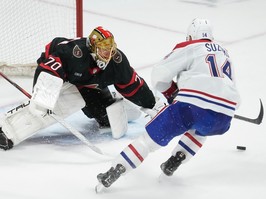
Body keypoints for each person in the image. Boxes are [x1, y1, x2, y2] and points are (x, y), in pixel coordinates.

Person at [95, 18, 241, 191]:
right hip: (224, 118)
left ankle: (116, 170)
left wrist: (172, 93)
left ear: (191, 36)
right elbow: (231, 93)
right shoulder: (225, 53)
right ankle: (177, 159)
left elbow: (159, 75)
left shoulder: (190, 46)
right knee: (202, 128)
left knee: (148, 141)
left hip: (190, 108)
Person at [0, 26, 157, 150]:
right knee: (50, 106)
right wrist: (43, 95)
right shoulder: (74, 54)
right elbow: (49, 69)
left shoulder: (117, 61)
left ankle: (112, 102)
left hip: (87, 81)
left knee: (105, 118)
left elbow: (133, 85)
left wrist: (151, 104)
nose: (108, 53)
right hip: (63, 75)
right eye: (103, 49)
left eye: (110, 49)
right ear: (93, 48)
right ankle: (7, 131)